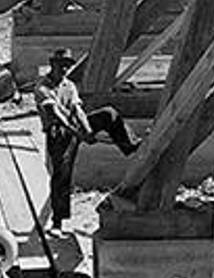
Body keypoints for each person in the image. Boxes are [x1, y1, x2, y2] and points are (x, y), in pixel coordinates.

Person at [34, 47, 140, 231]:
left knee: (108, 114)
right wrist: (78, 133)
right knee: (61, 176)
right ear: (52, 65)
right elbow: (56, 113)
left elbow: (78, 110)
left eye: (67, 66)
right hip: (58, 134)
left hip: (74, 127)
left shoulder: (69, 85)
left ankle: (130, 145)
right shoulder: (42, 87)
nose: (64, 70)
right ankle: (58, 222)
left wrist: (88, 130)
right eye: (61, 65)